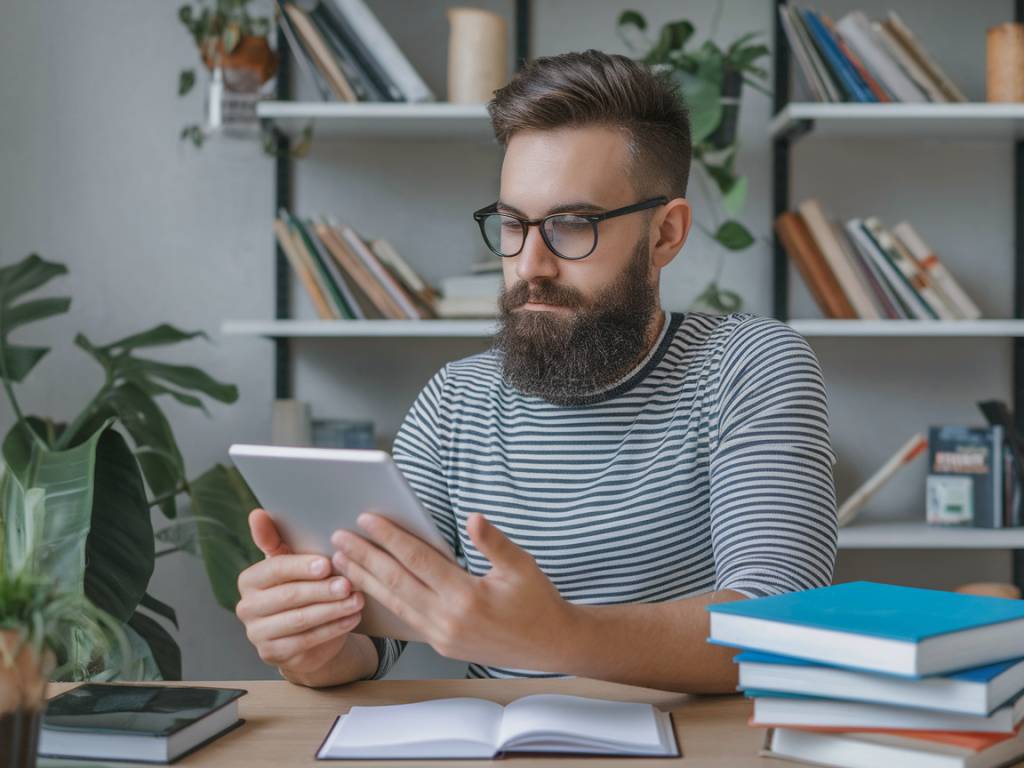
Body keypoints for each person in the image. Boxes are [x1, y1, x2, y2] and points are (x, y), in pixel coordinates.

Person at [234, 50, 838, 693]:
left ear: (665, 235)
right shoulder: (454, 402)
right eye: (514, 225)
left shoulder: (749, 367)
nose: (530, 265)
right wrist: (315, 643)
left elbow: (780, 628)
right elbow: (374, 640)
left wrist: (559, 637)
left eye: (572, 226)